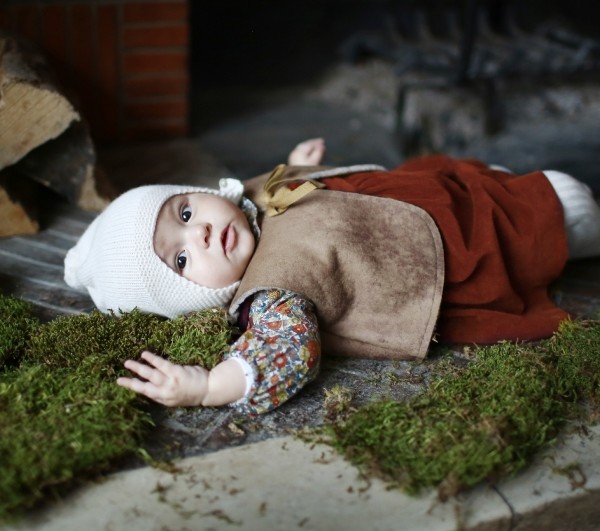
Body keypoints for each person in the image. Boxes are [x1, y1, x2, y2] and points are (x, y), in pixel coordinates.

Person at [64, 138, 600, 415]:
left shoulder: (242, 203)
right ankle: (564, 221)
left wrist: (295, 164)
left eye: (184, 212)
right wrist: (207, 387)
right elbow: (284, 352)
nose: (200, 233)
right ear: (193, 296)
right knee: (547, 211)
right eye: (180, 260)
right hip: (434, 258)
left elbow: (277, 187)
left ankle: (503, 189)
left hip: (405, 201)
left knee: (464, 179)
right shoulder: (273, 293)